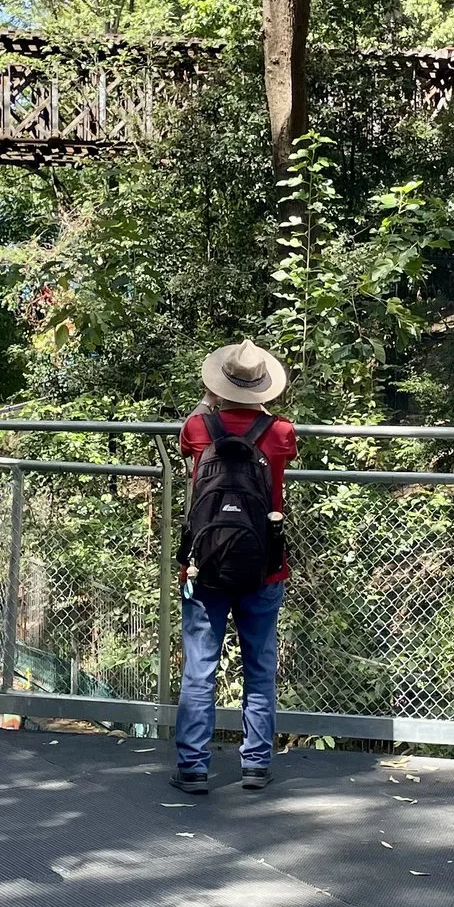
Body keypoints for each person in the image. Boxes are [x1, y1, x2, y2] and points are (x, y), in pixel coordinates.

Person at [172, 340, 297, 796]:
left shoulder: (196, 426)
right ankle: (256, 765)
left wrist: (210, 402)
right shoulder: (281, 432)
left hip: (204, 566)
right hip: (264, 565)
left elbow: (191, 449)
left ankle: (193, 767)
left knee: (199, 669)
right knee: (259, 667)